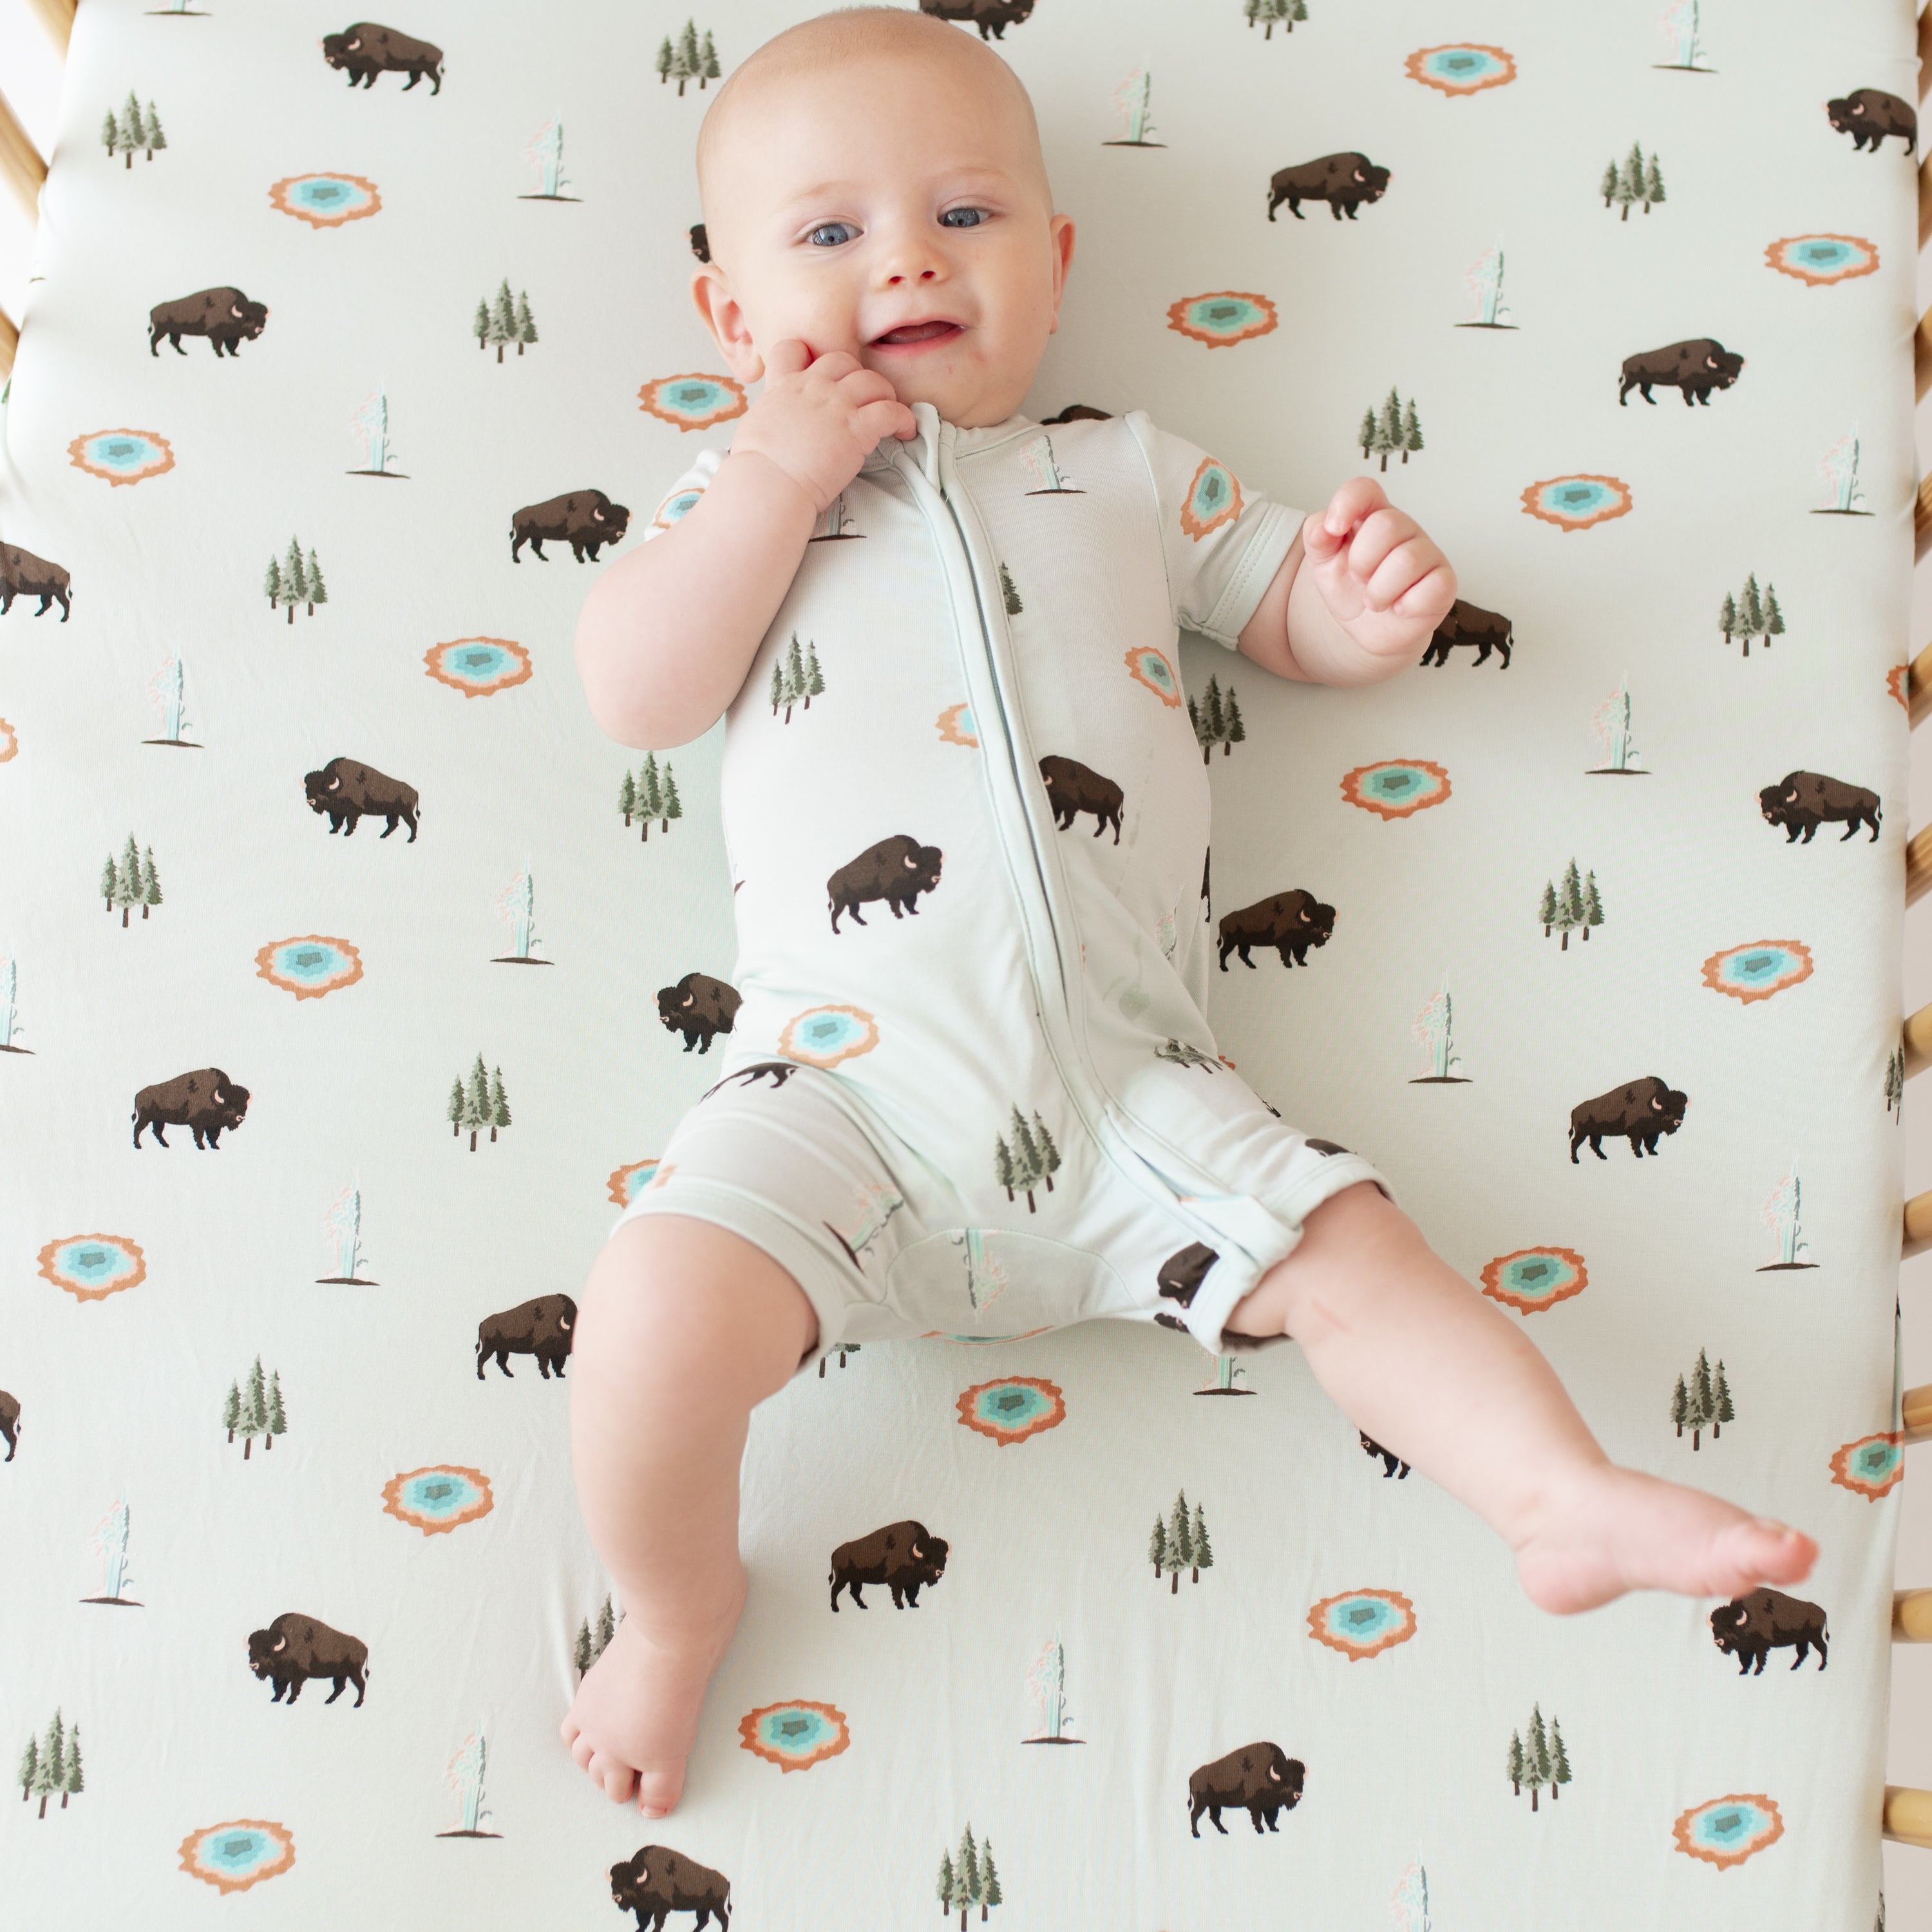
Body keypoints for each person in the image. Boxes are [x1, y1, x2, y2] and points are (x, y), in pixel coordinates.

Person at [564, 4, 1815, 1818]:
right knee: (649, 1317)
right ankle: (674, 1611)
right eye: (829, 234)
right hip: (837, 1092)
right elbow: (638, 690)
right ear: (732, 319)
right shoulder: (736, 500)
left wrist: (1364, 614)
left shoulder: (1125, 470)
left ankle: (1552, 1495)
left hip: (1141, 1086)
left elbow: (1279, 607)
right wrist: (768, 476)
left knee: (1362, 1254)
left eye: (966, 215)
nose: (906, 254)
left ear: (1054, 264)